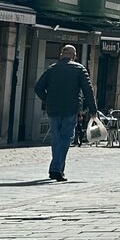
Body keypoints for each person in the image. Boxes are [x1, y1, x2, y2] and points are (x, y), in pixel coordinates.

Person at [34, 43, 97, 182]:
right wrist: (93, 110)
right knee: (66, 138)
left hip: (53, 110)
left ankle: (55, 169)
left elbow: (38, 88)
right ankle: (57, 169)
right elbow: (88, 91)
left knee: (56, 139)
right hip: (71, 109)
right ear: (74, 56)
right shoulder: (79, 69)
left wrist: (47, 100)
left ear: (61, 54)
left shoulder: (52, 69)